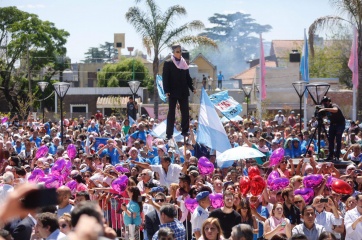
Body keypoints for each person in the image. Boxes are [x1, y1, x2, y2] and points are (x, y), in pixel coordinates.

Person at [163, 43, 196, 140]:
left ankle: (184, 131)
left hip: (183, 91)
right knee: (171, 112)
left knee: (185, 111)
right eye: (177, 51)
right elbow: (165, 78)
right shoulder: (168, 63)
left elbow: (188, 78)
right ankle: (169, 133)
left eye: (180, 51)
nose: (179, 53)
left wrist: (192, 87)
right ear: (173, 52)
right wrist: (167, 90)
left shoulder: (184, 63)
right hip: (172, 91)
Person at [319, 96, 345, 161]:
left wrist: (325, 109)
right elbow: (323, 115)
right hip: (332, 124)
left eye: (326, 102)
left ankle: (337, 156)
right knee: (330, 140)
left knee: (338, 140)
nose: (325, 103)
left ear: (328, 101)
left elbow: (335, 110)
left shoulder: (333, 105)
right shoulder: (326, 108)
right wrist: (319, 112)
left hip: (340, 124)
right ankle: (330, 155)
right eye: (323, 102)